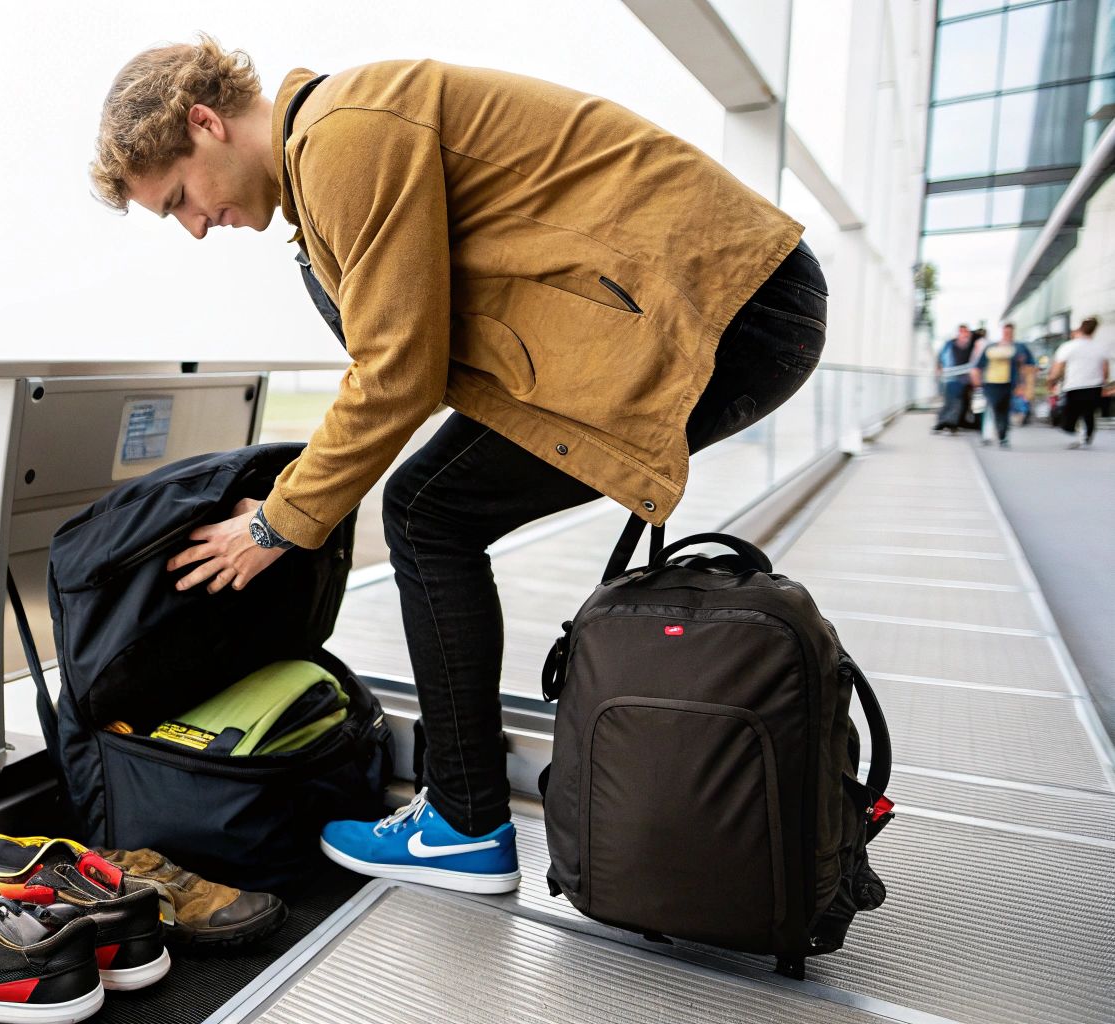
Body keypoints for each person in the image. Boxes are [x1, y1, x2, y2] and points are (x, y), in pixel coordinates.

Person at [89, 38, 824, 894]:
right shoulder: (333, 144)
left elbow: (397, 374)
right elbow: (418, 360)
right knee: (431, 506)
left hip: (728, 304)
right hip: (723, 301)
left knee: (427, 512)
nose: (194, 224)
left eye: (179, 197)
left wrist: (274, 525)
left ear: (204, 122)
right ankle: (463, 813)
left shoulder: (342, 135)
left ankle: (466, 822)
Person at [1049, 317, 1109, 448]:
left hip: (1074, 386)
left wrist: (1052, 380)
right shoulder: (1100, 347)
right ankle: (1085, 438)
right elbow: (1105, 370)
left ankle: (1073, 431)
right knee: (1089, 413)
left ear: (1079, 329)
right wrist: (1104, 384)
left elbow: (1058, 368)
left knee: (1071, 412)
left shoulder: (1068, 346)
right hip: (1095, 386)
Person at [972, 322, 1035, 448]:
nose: (1007, 334)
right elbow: (978, 365)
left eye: (1009, 332)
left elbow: (1029, 366)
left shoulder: (1019, 347)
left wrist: (1025, 385)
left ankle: (1002, 436)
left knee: (1004, 410)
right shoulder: (992, 347)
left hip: (1009, 383)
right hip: (991, 383)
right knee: (991, 408)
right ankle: (988, 434)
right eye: (1005, 331)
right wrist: (977, 381)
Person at [934, 324, 976, 433]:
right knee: (951, 401)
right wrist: (939, 369)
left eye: (966, 332)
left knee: (960, 402)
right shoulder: (950, 345)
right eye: (962, 332)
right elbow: (941, 357)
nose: (964, 335)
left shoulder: (970, 346)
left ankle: (952, 422)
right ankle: (945, 422)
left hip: (964, 378)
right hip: (951, 377)